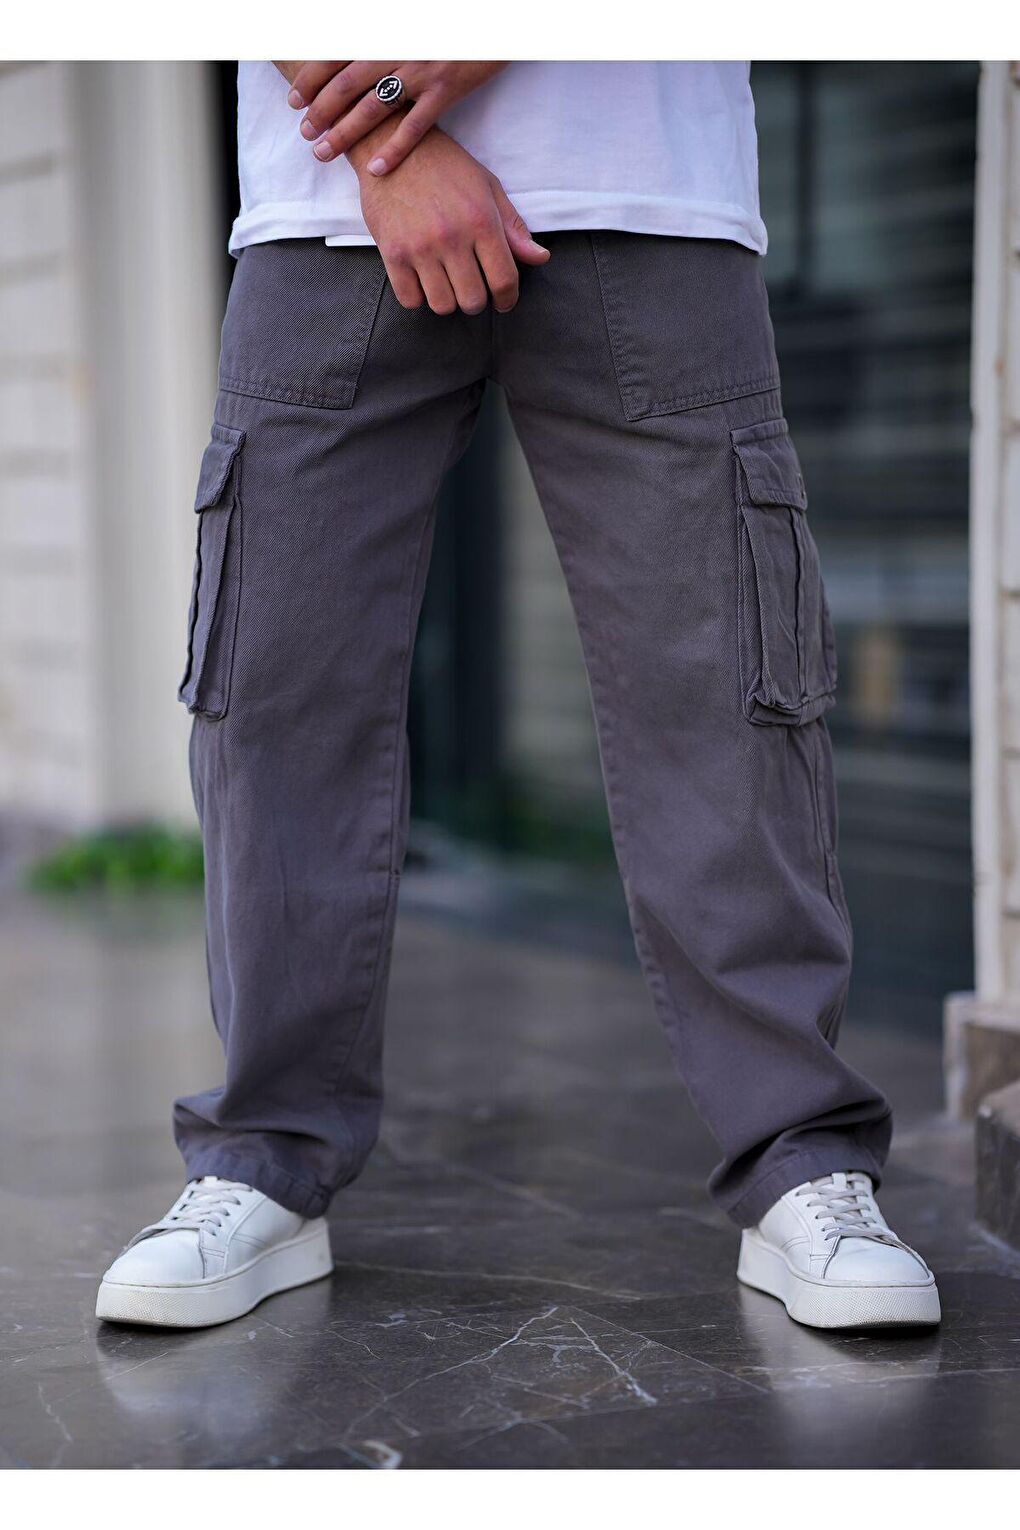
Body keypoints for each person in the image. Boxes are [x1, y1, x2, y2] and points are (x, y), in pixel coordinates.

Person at [96, 61, 940, 1333]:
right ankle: (263, 1157)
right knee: (273, 691)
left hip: (645, 190)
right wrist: (389, 134)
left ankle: (802, 1158)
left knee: (724, 697)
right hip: (323, 213)